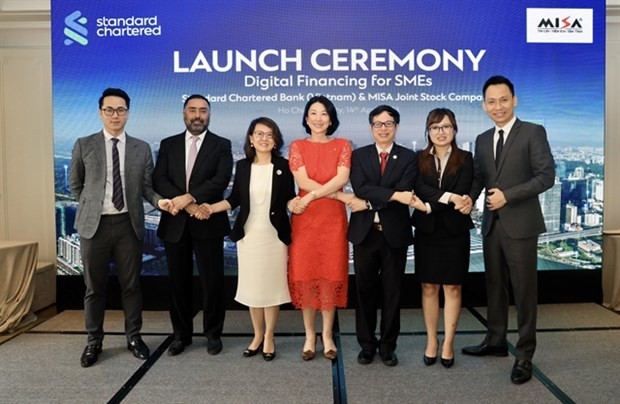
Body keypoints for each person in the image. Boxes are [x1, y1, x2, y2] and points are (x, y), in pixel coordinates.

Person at [461, 76, 555, 384]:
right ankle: (496, 340)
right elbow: (479, 178)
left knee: (524, 292)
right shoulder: (482, 138)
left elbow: (546, 176)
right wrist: (467, 197)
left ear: (514, 100)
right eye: (491, 101)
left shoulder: (532, 132)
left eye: (503, 100)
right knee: (495, 287)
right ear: (484, 105)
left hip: (522, 225)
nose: (497, 106)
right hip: (492, 225)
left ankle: (525, 354)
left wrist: (508, 195)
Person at [70, 88, 173, 368]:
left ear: (128, 112)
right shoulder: (84, 144)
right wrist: (92, 208)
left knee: (131, 286)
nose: (115, 115)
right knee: (94, 288)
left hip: (129, 224)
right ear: (100, 112)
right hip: (95, 226)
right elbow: (76, 185)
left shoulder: (141, 148)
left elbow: (147, 188)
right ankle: (94, 342)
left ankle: (133, 337)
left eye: (121, 110)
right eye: (109, 110)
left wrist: (159, 201)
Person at [205, 117, 295, 361]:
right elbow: (234, 199)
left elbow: (289, 198)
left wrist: (294, 203)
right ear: (251, 139)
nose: (264, 138)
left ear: (276, 140)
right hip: (249, 236)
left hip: (274, 236)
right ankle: (257, 334)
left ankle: (269, 337)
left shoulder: (284, 166)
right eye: (259, 134)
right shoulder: (243, 166)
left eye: (269, 134)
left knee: (272, 288)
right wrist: (211, 208)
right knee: (253, 288)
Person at [152, 94, 233, 357]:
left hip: (208, 222)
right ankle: (181, 335)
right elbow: (159, 180)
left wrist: (191, 197)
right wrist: (187, 204)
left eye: (203, 111)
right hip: (176, 222)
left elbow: (219, 180)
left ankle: (213, 334)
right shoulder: (168, 144)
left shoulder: (222, 144)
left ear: (209, 114)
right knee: (178, 283)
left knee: (212, 283)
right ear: (183, 113)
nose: (198, 115)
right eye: (192, 110)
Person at [346, 105, 417, 367]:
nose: (383, 128)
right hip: (365, 234)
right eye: (378, 123)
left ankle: (388, 346)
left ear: (396, 126)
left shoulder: (409, 157)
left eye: (388, 123)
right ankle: (366, 345)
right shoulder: (359, 156)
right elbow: (361, 187)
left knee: (392, 293)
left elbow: (405, 192)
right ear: (371, 127)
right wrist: (392, 194)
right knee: (364, 292)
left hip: (394, 235)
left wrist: (369, 203)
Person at [287, 95, 351, 361]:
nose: (318, 118)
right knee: (306, 276)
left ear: (331, 118)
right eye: (313, 113)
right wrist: (333, 194)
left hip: (331, 220)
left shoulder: (343, 145)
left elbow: (342, 178)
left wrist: (312, 196)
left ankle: (326, 335)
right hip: (305, 221)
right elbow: (302, 179)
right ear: (305, 118)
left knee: (329, 276)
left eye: (324, 113)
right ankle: (309, 335)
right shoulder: (297, 145)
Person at [409, 108, 474, 369]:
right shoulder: (418, 159)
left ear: (455, 129)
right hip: (427, 231)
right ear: (428, 131)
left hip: (455, 231)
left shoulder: (466, 158)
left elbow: (462, 190)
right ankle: (432, 340)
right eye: (435, 127)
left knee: (453, 287)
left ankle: (448, 342)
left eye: (446, 126)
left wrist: (428, 205)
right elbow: (419, 188)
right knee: (429, 287)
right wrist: (447, 199)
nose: (441, 132)